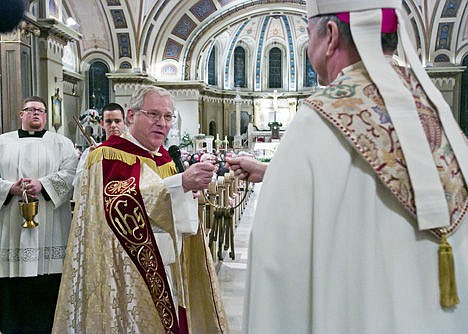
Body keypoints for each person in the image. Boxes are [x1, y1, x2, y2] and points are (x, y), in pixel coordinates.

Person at [238, 1, 468, 333]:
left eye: (308, 35)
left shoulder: (317, 122)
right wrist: (269, 173)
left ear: (330, 36)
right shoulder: (438, 115)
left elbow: (278, 271)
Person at [53, 86, 229, 333]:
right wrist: (181, 184)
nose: (162, 123)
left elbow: (177, 216)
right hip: (124, 274)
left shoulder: (164, 158)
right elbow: (122, 205)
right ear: (131, 115)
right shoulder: (107, 156)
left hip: (168, 268)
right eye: (154, 114)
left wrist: (187, 192)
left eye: (168, 117)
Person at [0, 96, 78, 333]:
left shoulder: (62, 143)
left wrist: (43, 185)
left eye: (41, 111)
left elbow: (72, 174)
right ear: (20, 114)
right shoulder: (2, 142)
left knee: (47, 295)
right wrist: (10, 188)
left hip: (50, 227)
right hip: (9, 226)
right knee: (12, 295)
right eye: (30, 109)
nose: (36, 114)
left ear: (46, 116)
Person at [72, 102, 126, 200]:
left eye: (117, 121)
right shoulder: (91, 151)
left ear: (124, 122)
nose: (113, 125)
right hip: (100, 204)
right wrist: (91, 161)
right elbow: (78, 184)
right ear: (102, 123)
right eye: (108, 121)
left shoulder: (133, 151)